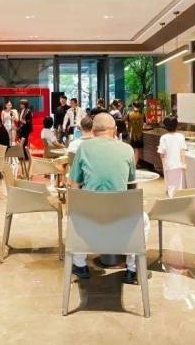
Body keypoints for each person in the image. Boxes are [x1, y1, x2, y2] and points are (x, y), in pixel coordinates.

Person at [69, 113, 147, 284]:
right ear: (116, 130)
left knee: (75, 214)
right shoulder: (127, 149)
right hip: (120, 219)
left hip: (91, 219)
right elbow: (131, 186)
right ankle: (132, 268)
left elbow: (74, 187)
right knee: (144, 220)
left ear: (93, 131)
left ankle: (80, 264)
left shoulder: (83, 148)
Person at [158, 116, 187, 197]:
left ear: (165, 126)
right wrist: (184, 164)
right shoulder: (181, 136)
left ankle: (172, 201)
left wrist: (164, 165)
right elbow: (182, 151)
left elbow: (162, 154)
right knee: (179, 187)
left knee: (170, 187)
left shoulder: (164, 138)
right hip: (179, 165)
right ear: (177, 125)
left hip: (168, 166)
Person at [127, 101, 145, 165]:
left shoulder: (130, 114)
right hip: (140, 134)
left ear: (133, 106)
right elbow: (144, 124)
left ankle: (134, 163)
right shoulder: (142, 114)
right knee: (137, 150)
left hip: (132, 134)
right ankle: (136, 163)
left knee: (134, 149)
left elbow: (128, 125)